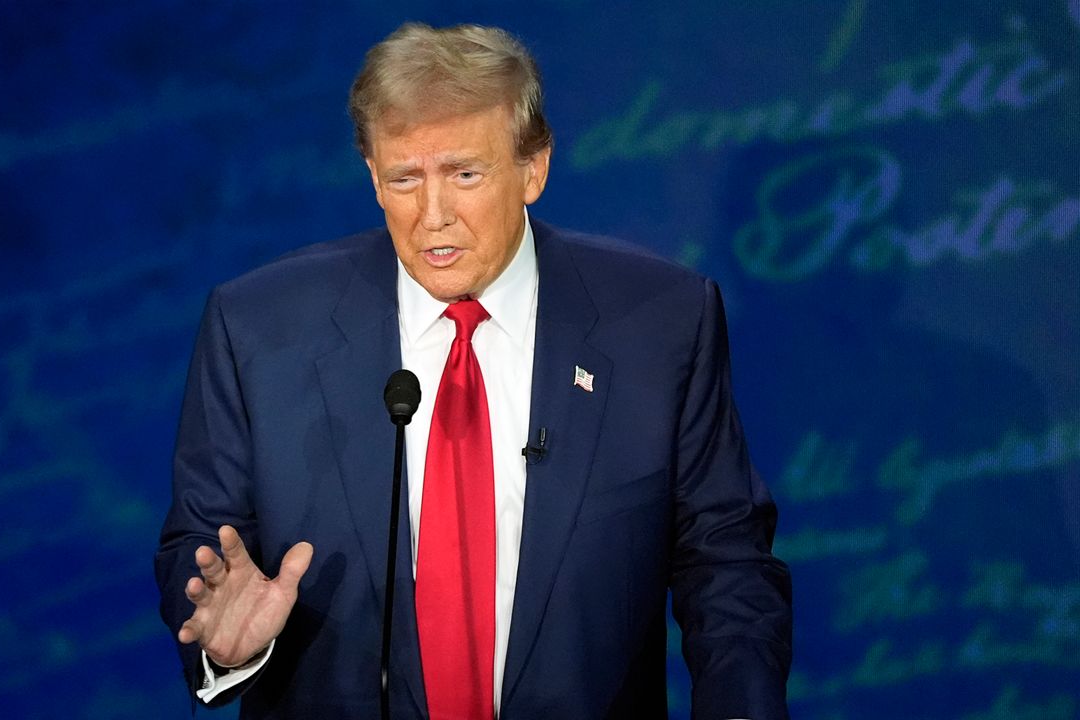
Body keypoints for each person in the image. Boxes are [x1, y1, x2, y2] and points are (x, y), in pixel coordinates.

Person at [156, 22, 792, 720]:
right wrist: (228, 645)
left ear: (533, 167)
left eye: (465, 174)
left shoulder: (662, 323)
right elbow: (202, 544)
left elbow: (726, 563)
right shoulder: (257, 329)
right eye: (404, 178)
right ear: (372, 175)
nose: (433, 217)